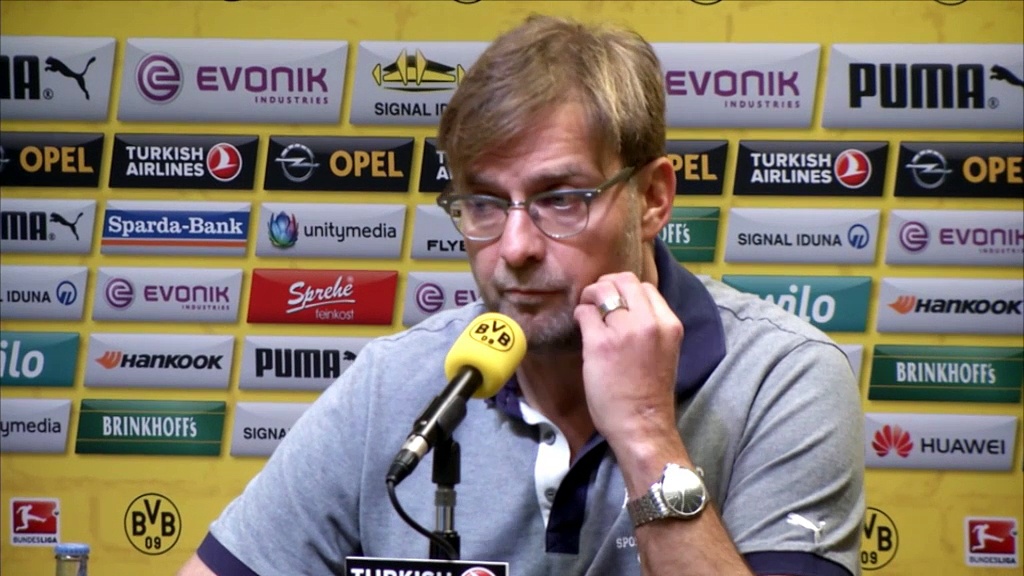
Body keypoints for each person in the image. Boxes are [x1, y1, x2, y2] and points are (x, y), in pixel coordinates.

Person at [179, 14, 864, 576]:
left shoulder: (783, 377)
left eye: (560, 199)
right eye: (483, 203)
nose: (514, 248)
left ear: (653, 199)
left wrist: (646, 433)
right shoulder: (395, 382)